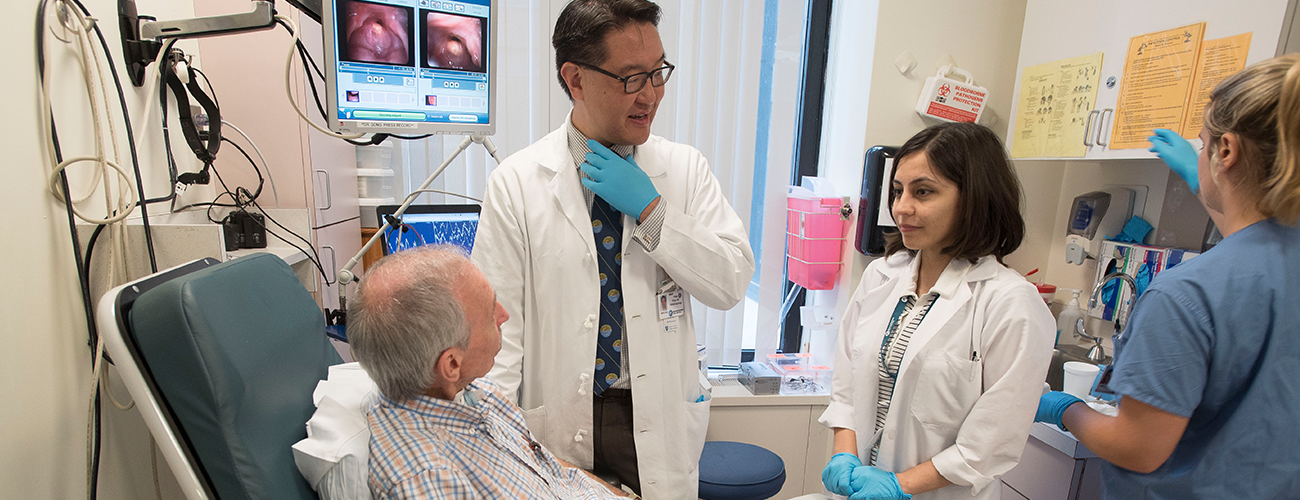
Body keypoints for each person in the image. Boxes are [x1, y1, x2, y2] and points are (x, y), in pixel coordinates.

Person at [470, 0, 755, 497]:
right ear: (575, 79)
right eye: (631, 78)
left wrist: (653, 212)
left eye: (658, 72)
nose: (651, 95)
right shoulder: (515, 183)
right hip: (553, 418)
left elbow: (730, 281)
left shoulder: (685, 171)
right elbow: (499, 333)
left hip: (656, 414)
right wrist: (500, 449)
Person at [1036, 54, 1300, 499]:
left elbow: (1138, 449)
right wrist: (1203, 180)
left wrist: (1064, 409)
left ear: (1227, 151)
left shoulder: (1185, 296)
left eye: (1202, 144)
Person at [818, 122, 1054, 500]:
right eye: (897, 191)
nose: (901, 208)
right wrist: (844, 456)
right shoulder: (882, 276)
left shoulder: (1011, 304)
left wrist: (898, 486)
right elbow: (846, 386)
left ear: (975, 198)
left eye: (923, 192)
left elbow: (988, 446)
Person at [347, 246, 628, 499]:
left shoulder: (477, 395)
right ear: (452, 365)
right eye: (489, 314)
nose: (504, 315)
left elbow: (549, 470)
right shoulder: (430, 478)